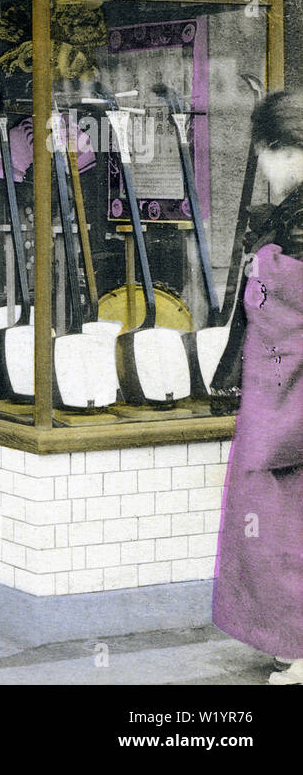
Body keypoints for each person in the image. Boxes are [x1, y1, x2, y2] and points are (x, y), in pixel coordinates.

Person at [210, 89, 303, 686]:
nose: (263, 170)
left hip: (292, 399)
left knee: (285, 526)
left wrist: (262, 271)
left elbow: (282, 305)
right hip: (291, 392)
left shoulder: (294, 221)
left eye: (265, 155)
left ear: (287, 149)